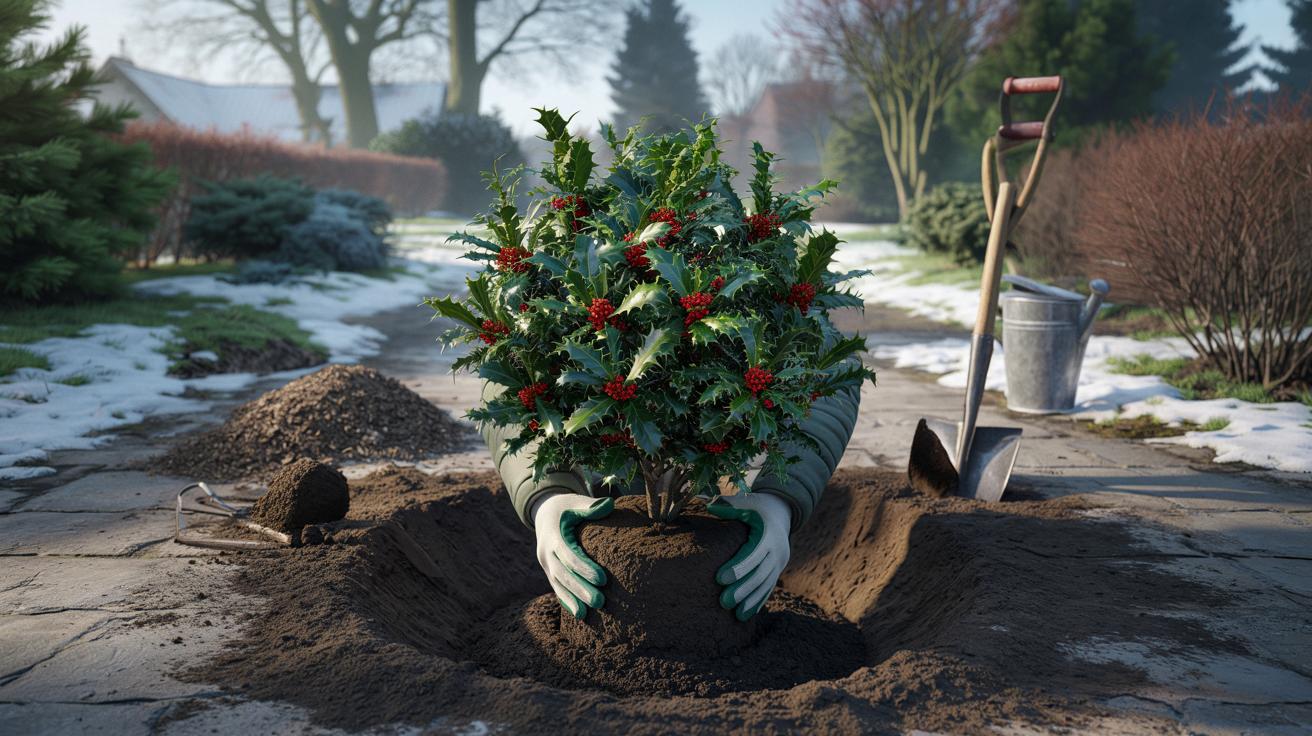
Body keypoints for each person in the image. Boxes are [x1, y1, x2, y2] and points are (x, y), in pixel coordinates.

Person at [479, 374, 860, 622]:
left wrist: (783, 495)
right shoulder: (564, 257)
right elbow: (507, 364)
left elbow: (828, 362)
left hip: (693, 479)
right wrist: (546, 493)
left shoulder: (753, 255)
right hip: (602, 463)